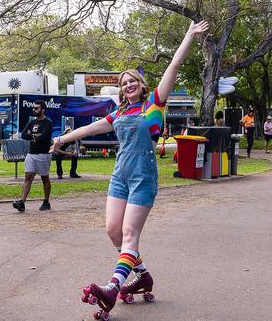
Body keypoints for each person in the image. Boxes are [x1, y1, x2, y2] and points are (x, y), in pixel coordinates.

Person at [51, 20, 209, 320]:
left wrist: (188, 35)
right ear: (121, 91)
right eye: (124, 83)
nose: (128, 85)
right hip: (120, 175)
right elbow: (88, 128)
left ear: (141, 84)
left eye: (132, 81)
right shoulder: (119, 112)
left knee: (128, 232)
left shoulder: (154, 104)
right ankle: (143, 276)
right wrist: (61, 138)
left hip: (143, 177)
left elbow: (173, 66)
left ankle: (112, 288)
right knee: (113, 232)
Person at [12, 100, 53, 212]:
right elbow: (24, 135)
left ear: (43, 109)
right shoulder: (32, 122)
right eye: (33, 108)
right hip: (31, 154)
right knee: (28, 177)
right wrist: (36, 136)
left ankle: (46, 201)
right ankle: (22, 202)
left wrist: (33, 135)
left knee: (45, 178)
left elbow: (45, 137)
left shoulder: (48, 122)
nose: (34, 110)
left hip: (43, 154)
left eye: (36, 108)